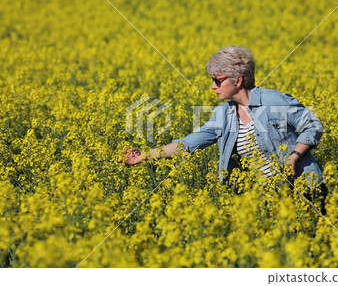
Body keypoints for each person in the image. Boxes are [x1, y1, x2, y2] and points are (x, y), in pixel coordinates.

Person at [118, 46, 324, 192]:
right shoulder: (222, 115)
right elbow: (188, 144)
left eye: (217, 80)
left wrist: (294, 156)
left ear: (238, 80)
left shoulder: (272, 100)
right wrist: (145, 155)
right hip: (264, 198)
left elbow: (313, 126)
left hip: (304, 189)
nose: (212, 86)